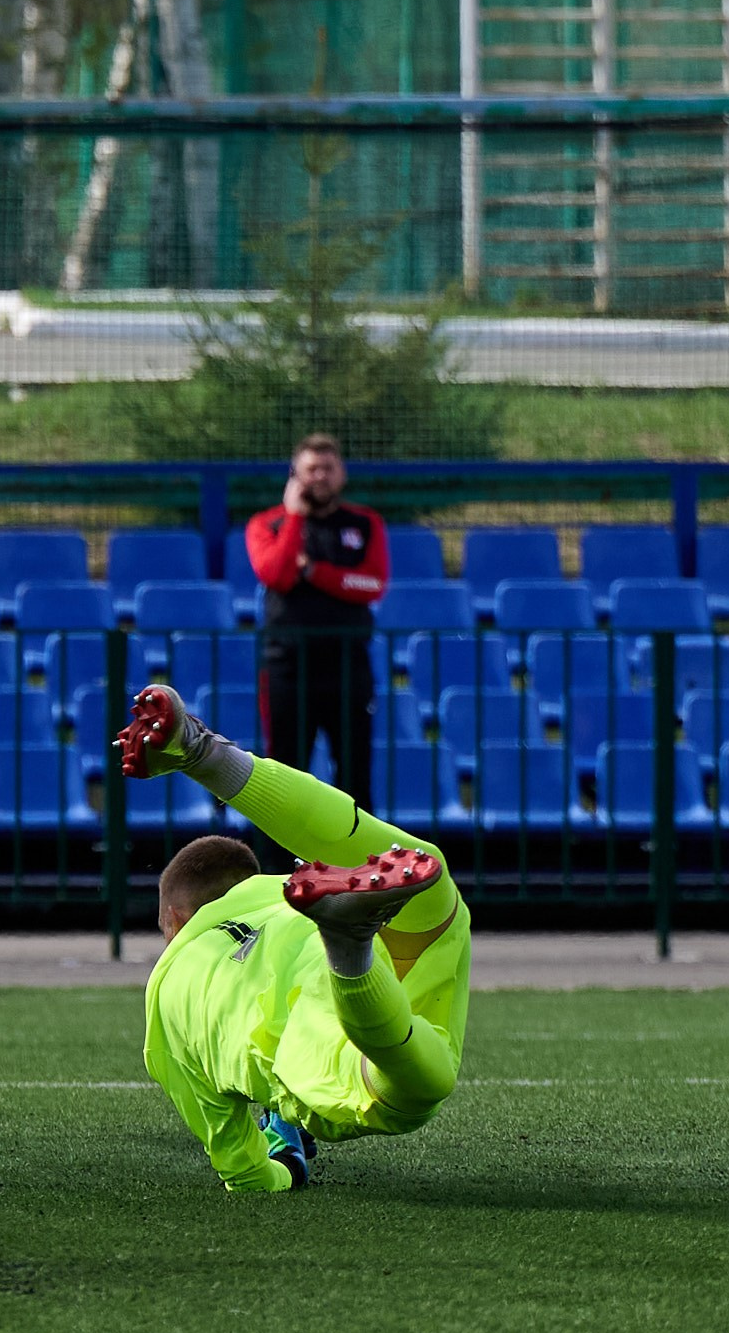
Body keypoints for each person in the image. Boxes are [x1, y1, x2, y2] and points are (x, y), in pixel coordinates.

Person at [116, 682, 470, 1193]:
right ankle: (207, 756)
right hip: (405, 941)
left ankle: (350, 947)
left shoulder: (166, 992)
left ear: (173, 916)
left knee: (418, 1089)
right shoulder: (273, 891)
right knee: (428, 874)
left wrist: (285, 1166)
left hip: (314, 1026)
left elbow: (244, 1171)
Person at [243, 432, 386, 805]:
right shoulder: (267, 524)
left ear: (342, 474)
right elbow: (275, 574)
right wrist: (294, 518)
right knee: (285, 777)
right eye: (311, 469)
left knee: (355, 774)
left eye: (328, 468)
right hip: (287, 667)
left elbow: (371, 583)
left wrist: (314, 573)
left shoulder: (365, 523)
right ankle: (282, 864)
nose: (320, 476)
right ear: (295, 475)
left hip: (347, 665)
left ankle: (358, 862)